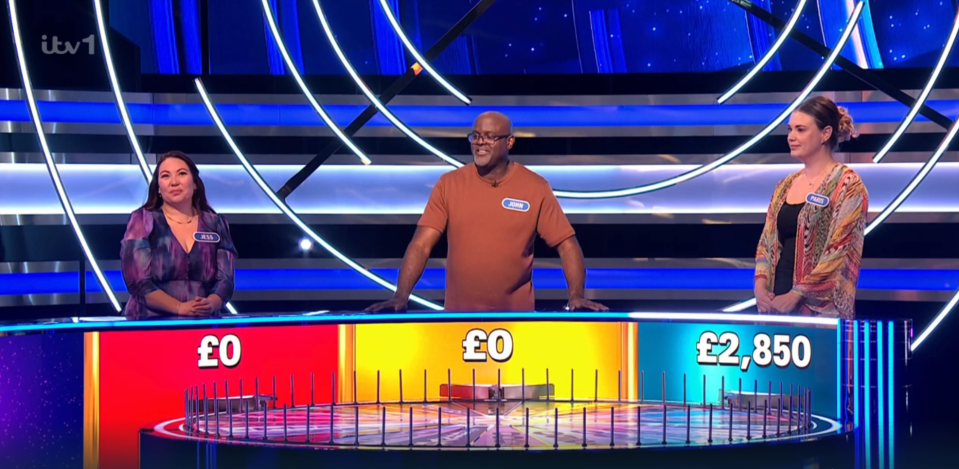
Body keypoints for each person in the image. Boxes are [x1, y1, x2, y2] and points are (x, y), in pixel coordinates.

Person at [366, 111, 607, 313]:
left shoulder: (535, 187)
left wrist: (576, 296)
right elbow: (421, 245)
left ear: (509, 142)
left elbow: (567, 245)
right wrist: (400, 297)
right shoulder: (449, 184)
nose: (480, 142)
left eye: (490, 137)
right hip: (458, 321)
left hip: (517, 322)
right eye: (476, 136)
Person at [753, 96, 869, 319]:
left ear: (825, 134)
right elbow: (766, 242)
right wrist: (760, 288)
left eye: (800, 130)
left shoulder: (848, 185)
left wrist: (796, 294)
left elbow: (838, 251)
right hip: (775, 308)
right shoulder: (784, 185)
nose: (791, 137)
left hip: (822, 314)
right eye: (790, 129)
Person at [119, 151, 237, 319]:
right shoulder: (142, 220)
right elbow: (138, 283)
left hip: (203, 325)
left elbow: (225, 281)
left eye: (181, 173)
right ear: (159, 188)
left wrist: (210, 303)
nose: (174, 182)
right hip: (150, 324)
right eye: (166, 176)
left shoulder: (215, 224)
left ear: (195, 183)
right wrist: (179, 307)